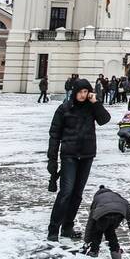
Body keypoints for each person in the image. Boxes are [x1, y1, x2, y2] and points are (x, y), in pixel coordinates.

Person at [47, 78, 111, 242]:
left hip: (87, 155)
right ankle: (53, 228)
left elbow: (105, 119)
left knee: (77, 194)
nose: (82, 95)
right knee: (66, 193)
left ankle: (67, 227)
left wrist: (95, 102)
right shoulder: (64, 109)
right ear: (74, 92)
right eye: (80, 92)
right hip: (69, 155)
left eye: (85, 92)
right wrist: (52, 159)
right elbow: (54, 135)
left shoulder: (91, 108)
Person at [80, 185, 130, 259]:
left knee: (97, 232)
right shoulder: (116, 195)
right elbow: (129, 207)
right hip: (118, 214)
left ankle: (93, 251)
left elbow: (91, 222)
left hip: (102, 216)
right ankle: (116, 252)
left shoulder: (97, 199)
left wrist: (87, 240)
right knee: (110, 232)